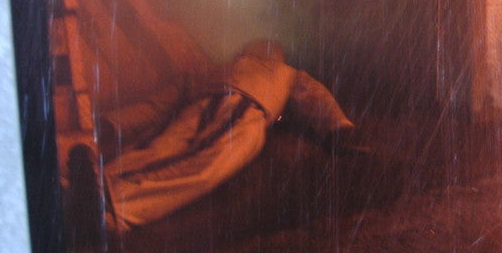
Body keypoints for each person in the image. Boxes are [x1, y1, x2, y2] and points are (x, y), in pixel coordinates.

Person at [65, 40, 354, 239]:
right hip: (246, 110)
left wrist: (113, 123)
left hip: (201, 105)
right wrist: (338, 127)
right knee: (203, 167)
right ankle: (111, 211)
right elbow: (316, 97)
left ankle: (95, 186)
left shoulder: (213, 68)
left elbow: (159, 104)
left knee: (157, 148)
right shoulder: (287, 73)